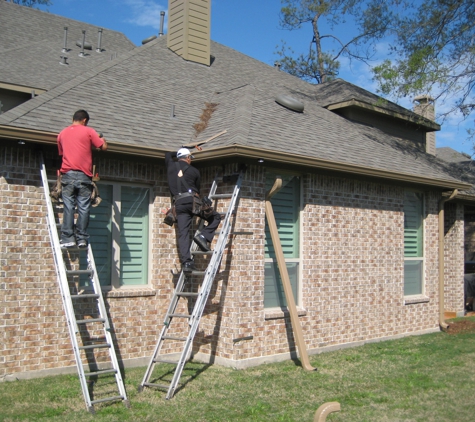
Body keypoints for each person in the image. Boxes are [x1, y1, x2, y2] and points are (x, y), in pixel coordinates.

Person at [57, 109, 107, 248]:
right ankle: (82, 238)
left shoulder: (62, 134)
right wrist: (101, 138)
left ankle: (67, 238)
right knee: (84, 208)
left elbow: (62, 153)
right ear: (84, 120)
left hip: (68, 174)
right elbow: (103, 147)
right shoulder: (89, 131)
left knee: (69, 206)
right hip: (84, 176)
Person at [165, 147, 221, 272]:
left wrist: (179, 150)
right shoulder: (194, 171)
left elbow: (168, 154)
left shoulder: (170, 166)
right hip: (192, 202)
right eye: (190, 157)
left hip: (178, 204)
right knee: (215, 217)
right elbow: (197, 190)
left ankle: (186, 263)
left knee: (183, 234)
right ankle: (203, 236)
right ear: (188, 158)